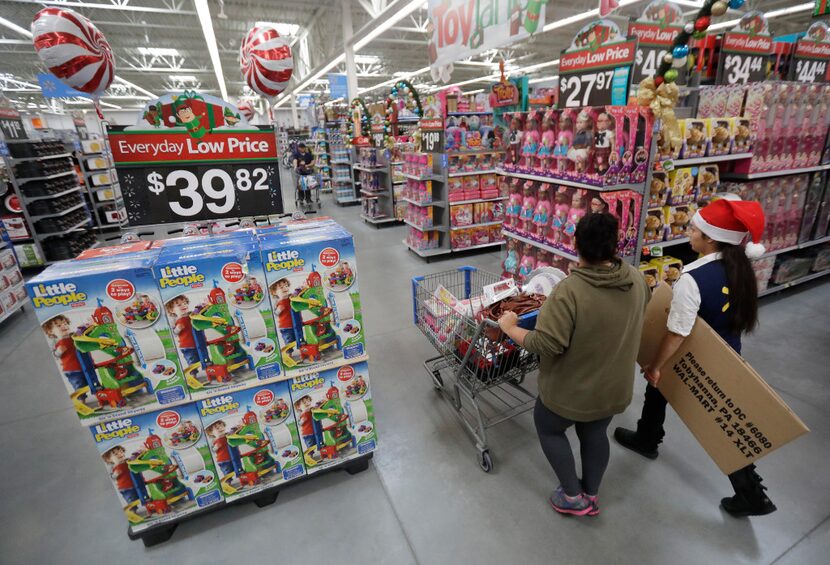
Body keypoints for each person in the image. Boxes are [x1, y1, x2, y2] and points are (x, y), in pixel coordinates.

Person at [614, 197, 776, 517]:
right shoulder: (739, 267)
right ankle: (647, 436)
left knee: (715, 423)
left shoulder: (693, 278)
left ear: (710, 238)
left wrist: (655, 366)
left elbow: (677, 333)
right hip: (727, 352)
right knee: (704, 411)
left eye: (694, 229)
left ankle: (752, 495)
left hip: (696, 356)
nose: (689, 233)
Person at [498, 212, 650, 517]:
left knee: (549, 428)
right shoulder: (636, 278)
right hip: (613, 388)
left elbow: (545, 344)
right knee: (595, 433)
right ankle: (591, 494)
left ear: (576, 244)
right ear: (614, 244)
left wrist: (510, 327)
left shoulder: (570, 291)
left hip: (570, 391)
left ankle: (571, 496)